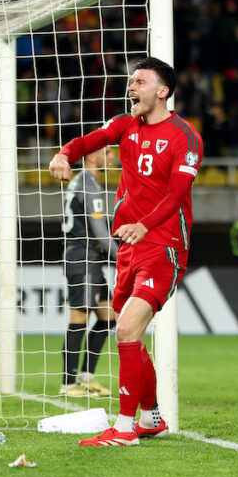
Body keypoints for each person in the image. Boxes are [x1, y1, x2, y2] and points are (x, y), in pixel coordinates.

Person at [49, 57, 202, 447]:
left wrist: (145, 225)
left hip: (163, 245)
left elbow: (177, 193)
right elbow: (87, 142)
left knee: (127, 328)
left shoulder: (186, 136)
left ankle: (124, 427)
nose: (131, 87)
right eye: (130, 81)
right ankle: (151, 418)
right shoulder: (124, 125)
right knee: (129, 337)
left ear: (162, 91)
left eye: (140, 82)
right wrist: (65, 153)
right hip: (129, 248)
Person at [60, 146, 117, 399]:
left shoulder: (79, 181)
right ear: (92, 156)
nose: (113, 157)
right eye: (107, 153)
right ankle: (68, 383)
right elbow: (100, 231)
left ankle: (85, 377)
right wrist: (121, 257)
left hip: (90, 260)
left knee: (109, 317)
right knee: (79, 320)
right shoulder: (89, 184)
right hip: (82, 259)